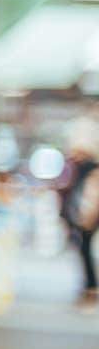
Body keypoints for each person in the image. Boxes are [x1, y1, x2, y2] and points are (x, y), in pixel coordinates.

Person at [60, 118, 98, 307]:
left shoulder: (88, 169)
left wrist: (88, 214)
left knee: (85, 249)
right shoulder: (81, 168)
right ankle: (89, 287)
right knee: (84, 249)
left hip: (88, 215)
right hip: (84, 215)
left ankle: (91, 287)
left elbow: (91, 194)